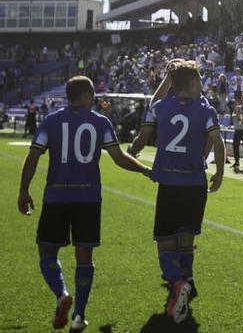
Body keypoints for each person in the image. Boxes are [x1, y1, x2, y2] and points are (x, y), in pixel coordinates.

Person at [17, 76, 151, 331]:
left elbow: (33, 156)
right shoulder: (100, 122)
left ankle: (61, 293)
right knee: (84, 257)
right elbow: (118, 157)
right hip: (88, 199)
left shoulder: (51, 121)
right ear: (87, 96)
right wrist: (145, 169)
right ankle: (79, 316)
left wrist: (24, 191)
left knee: (47, 252)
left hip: (56, 197)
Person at [128, 60, 226, 324]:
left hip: (169, 184)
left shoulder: (161, 107)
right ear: (193, 83)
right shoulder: (206, 110)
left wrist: (133, 151)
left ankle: (176, 281)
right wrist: (219, 172)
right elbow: (218, 142)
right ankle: (188, 278)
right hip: (195, 184)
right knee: (186, 236)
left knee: (165, 239)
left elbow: (146, 128)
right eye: (200, 81)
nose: (203, 85)